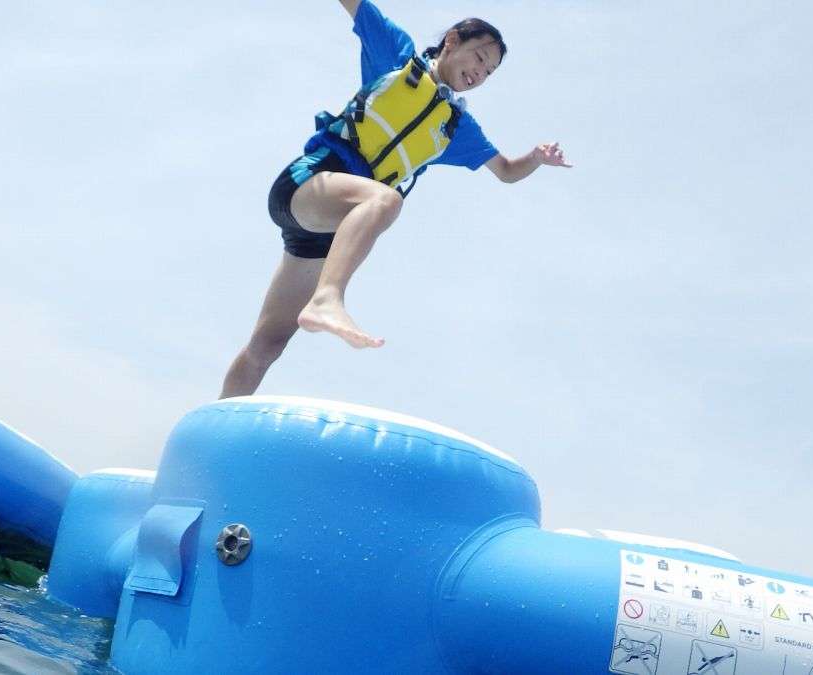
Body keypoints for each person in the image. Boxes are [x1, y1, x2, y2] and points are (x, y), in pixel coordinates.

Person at [220, 0, 572, 399]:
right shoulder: (396, 55)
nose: (479, 73)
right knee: (385, 201)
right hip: (308, 183)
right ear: (452, 41)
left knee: (266, 346)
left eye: (489, 71)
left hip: (324, 234)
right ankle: (327, 298)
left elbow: (507, 171)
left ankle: (211, 443)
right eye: (478, 57)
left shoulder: (456, 129)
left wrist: (537, 158)